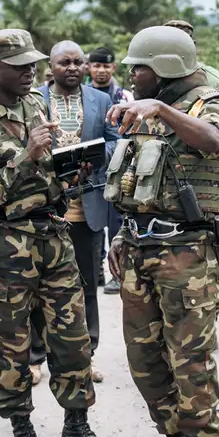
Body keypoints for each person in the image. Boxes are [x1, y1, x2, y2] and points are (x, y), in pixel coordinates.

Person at [0, 28, 114, 437]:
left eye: (33, 64)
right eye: (19, 65)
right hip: (8, 245)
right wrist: (26, 156)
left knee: (73, 339)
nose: (30, 71)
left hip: (54, 237)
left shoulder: (34, 105)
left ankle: (76, 427)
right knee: (13, 345)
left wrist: (70, 170)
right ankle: (22, 430)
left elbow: (49, 171)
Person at [105, 25, 219, 437]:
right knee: (144, 357)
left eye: (138, 68)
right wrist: (122, 234)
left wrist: (160, 110)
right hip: (140, 249)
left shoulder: (209, 102)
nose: (131, 76)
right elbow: (138, 182)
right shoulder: (146, 108)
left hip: (187, 254)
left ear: (163, 69)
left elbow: (214, 140)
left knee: (190, 358)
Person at [29, 41, 120, 385]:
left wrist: (92, 157)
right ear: (50, 67)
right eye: (64, 62)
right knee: (39, 286)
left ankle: (87, 354)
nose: (72, 67)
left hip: (87, 206)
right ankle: (36, 357)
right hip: (45, 207)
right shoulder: (33, 99)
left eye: (77, 62)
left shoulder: (101, 100)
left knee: (87, 285)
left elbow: (115, 141)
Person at [86, 46, 135, 295]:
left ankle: (117, 274)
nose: (101, 70)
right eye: (97, 66)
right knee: (93, 221)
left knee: (117, 222)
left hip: (119, 168)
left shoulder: (124, 96)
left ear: (113, 67)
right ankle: (96, 270)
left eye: (106, 66)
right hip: (90, 170)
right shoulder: (83, 94)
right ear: (89, 67)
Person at [163, 19, 219, 93]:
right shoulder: (154, 77)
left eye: (181, 44)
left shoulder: (214, 81)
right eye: (170, 44)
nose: (175, 49)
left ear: (193, 45)